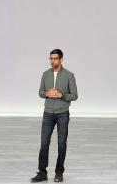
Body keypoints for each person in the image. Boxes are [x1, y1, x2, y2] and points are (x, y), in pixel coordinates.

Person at [31, 49, 78, 182]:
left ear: (61, 59)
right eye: (51, 59)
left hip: (62, 113)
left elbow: (75, 96)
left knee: (61, 144)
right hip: (48, 113)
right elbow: (40, 92)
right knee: (44, 143)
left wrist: (61, 95)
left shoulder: (69, 75)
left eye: (55, 59)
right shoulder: (45, 74)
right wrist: (47, 93)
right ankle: (42, 172)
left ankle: (59, 172)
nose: (53, 61)